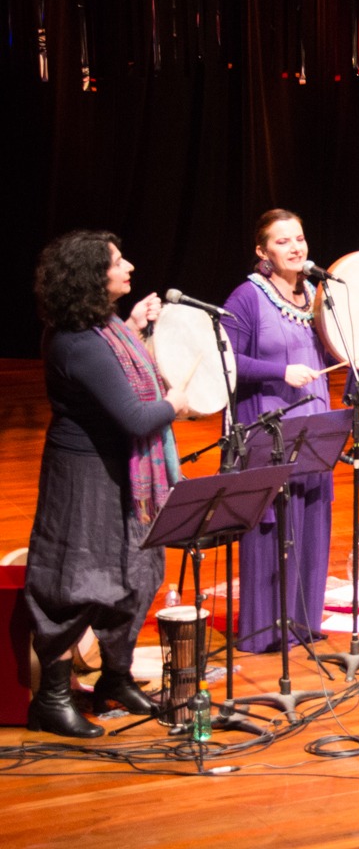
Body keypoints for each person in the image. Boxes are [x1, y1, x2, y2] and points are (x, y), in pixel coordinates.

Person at [25, 231, 187, 737]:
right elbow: (136, 417)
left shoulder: (104, 327)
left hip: (121, 470)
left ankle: (114, 678)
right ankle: (52, 699)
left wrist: (134, 326)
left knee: (136, 571)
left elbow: (117, 373)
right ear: (93, 277)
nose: (129, 266)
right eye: (118, 262)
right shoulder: (78, 343)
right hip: (85, 476)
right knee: (79, 581)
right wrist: (175, 403)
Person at [223, 210, 336, 652]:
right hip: (269, 425)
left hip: (314, 422)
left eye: (299, 238)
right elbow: (227, 360)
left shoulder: (315, 294)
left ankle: (303, 623)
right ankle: (265, 631)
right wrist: (279, 371)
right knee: (275, 524)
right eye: (282, 241)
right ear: (262, 251)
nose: (295, 247)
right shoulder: (247, 297)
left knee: (311, 519)